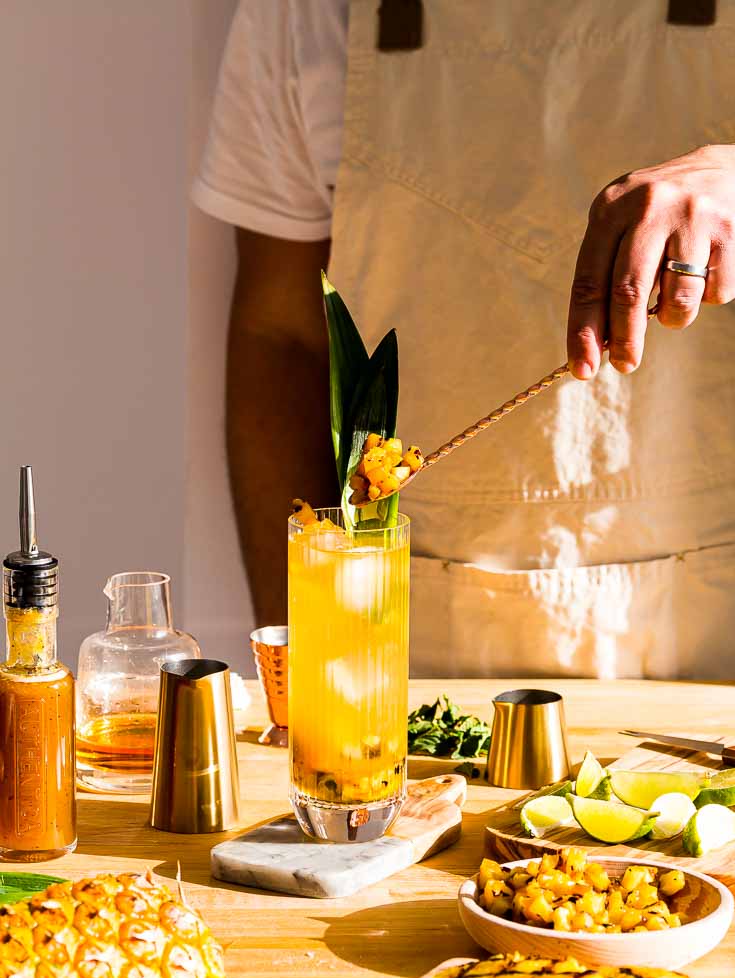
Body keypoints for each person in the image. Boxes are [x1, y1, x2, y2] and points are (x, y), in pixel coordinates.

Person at [193, 0, 735, 680]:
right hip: (403, 643)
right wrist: (297, 672)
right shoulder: (305, 12)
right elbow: (282, 335)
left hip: (712, 635)